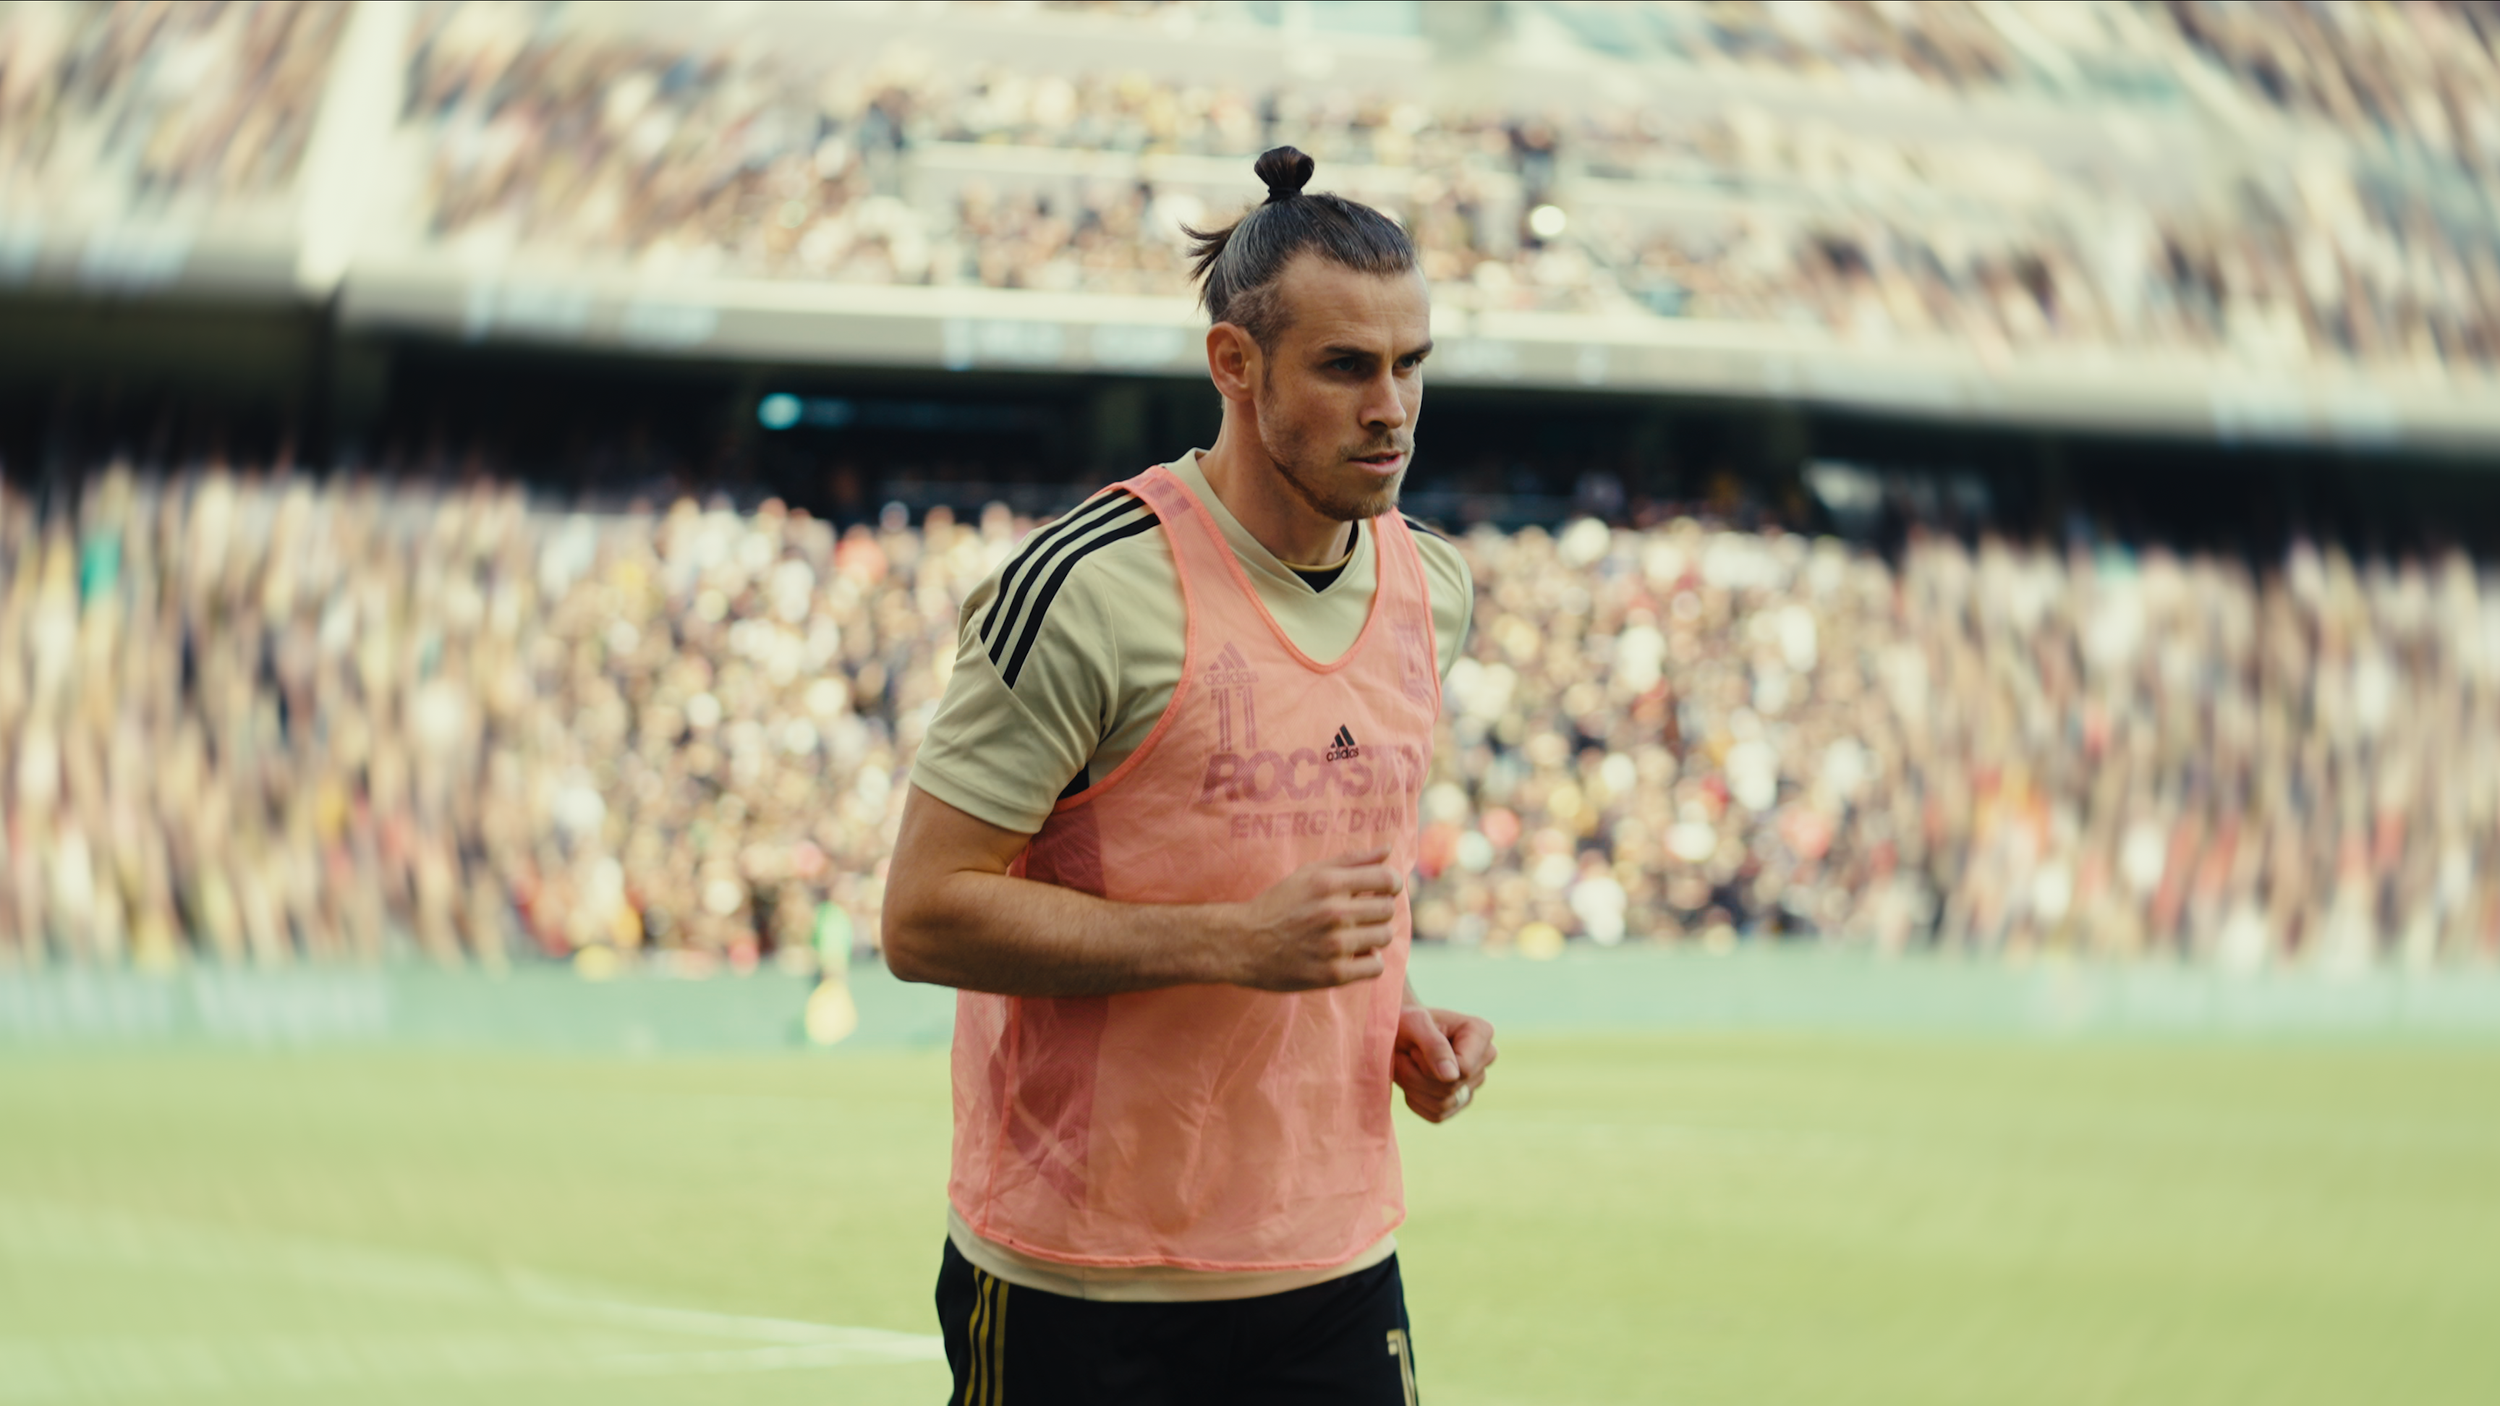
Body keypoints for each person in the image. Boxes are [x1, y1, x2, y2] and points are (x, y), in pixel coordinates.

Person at [884, 145, 1497, 1405]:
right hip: (1081, 1285)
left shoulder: (1432, 587)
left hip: (1333, 1262)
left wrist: (1397, 1014)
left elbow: (1306, 879)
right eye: (1345, 366)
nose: (1391, 407)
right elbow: (923, 912)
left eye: (1411, 364)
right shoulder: (1086, 587)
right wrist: (1230, 941)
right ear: (1235, 364)